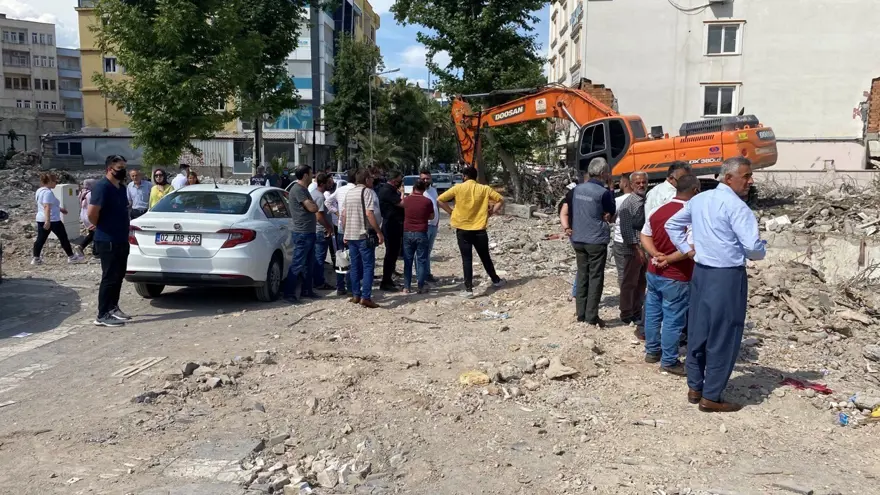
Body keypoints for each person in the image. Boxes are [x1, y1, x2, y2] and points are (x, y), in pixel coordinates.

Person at [666, 157, 766, 413]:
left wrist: (687, 250)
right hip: (726, 277)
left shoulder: (700, 199)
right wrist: (761, 248)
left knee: (699, 331)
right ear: (729, 178)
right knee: (724, 334)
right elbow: (753, 249)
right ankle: (711, 395)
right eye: (746, 176)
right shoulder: (737, 207)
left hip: (701, 274)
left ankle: (695, 387)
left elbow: (672, 224)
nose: (750, 181)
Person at [639, 174, 700, 376]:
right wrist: (668, 259)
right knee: (673, 319)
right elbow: (689, 247)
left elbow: (644, 234)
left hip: (654, 271)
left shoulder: (658, 210)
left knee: (653, 313)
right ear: (695, 190)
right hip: (677, 275)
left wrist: (654, 253)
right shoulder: (690, 214)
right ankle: (669, 360)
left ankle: (652, 351)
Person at [560, 158, 615, 327]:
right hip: (595, 239)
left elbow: (567, 208)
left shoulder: (576, 190)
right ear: (603, 173)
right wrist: (611, 189)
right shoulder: (603, 192)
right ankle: (591, 316)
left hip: (578, 238)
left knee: (583, 274)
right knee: (595, 277)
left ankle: (581, 313)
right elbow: (611, 211)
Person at [437, 166, 505, 298]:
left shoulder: (458, 188)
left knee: (467, 259)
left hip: (462, 229)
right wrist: (491, 213)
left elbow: (440, 200)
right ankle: (496, 280)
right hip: (479, 229)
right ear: (476, 176)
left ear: (464, 176)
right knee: (485, 257)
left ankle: (468, 289)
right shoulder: (484, 189)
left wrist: (451, 212)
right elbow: (500, 199)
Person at [88, 155, 132, 327]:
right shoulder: (102, 187)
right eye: (119, 168)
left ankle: (113, 307)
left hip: (121, 238)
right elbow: (92, 213)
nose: (123, 172)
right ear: (109, 169)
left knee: (118, 276)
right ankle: (102, 314)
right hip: (107, 240)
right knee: (109, 277)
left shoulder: (121, 188)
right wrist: (103, 226)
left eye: (124, 168)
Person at [341, 168, 384, 308]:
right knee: (368, 266)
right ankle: (366, 297)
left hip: (351, 234)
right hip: (363, 234)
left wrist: (345, 232)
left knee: (354, 266)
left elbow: (344, 215)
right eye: (371, 178)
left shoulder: (349, 193)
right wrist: (379, 232)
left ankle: (355, 294)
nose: (373, 180)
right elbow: (369, 213)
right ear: (366, 180)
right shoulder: (367, 192)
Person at [283, 165, 320, 302]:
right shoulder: (298, 190)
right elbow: (312, 207)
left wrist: (313, 205)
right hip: (302, 232)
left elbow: (314, 207)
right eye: (311, 173)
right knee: (298, 263)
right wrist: (313, 205)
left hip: (308, 232)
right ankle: (289, 293)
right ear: (305, 175)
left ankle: (307, 290)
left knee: (309, 264)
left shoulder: (304, 190)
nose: (313, 176)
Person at [617, 171, 649, 325]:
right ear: (631, 184)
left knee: (642, 281)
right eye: (638, 183)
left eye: (644, 182)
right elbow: (626, 230)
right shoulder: (628, 204)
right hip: (633, 250)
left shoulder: (647, 200)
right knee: (629, 282)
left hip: (646, 249)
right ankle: (626, 312)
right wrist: (637, 249)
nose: (641, 185)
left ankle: (637, 310)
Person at [31, 172, 82, 265]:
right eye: (54, 181)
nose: (56, 182)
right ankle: (71, 257)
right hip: (53, 220)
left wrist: (60, 209)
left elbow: (49, 205)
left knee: (40, 239)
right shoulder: (48, 193)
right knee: (63, 238)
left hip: (41, 218)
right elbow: (46, 206)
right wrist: (48, 221)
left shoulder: (39, 191)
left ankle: (36, 258)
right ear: (49, 181)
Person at [326, 169, 357, 296]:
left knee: (341, 257)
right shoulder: (357, 190)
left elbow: (327, 202)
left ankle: (340, 286)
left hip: (341, 228)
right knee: (352, 258)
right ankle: (351, 287)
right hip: (353, 228)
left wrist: (337, 213)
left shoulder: (340, 190)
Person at [401, 179, 434, 293]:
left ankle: (407, 287)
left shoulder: (407, 200)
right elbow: (432, 216)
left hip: (407, 232)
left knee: (408, 260)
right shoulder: (427, 201)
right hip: (421, 232)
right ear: (424, 189)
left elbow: (401, 205)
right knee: (421, 260)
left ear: (413, 188)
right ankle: (420, 286)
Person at [376, 170, 405, 291]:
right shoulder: (387, 190)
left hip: (395, 224)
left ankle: (389, 278)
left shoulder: (391, 190)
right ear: (394, 180)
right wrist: (402, 193)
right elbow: (402, 203)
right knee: (391, 253)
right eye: (399, 179)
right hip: (391, 225)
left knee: (394, 253)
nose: (401, 182)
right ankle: (386, 281)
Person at [311, 173, 336, 291]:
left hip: (316, 230)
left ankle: (315, 280)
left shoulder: (313, 193)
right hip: (321, 231)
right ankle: (319, 282)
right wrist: (328, 227)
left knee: (317, 257)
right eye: (328, 183)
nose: (330, 185)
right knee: (319, 258)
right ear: (322, 183)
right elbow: (319, 216)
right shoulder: (320, 197)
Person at [610, 176, 633, 287]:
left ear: (625, 184)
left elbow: (611, 218)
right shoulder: (640, 199)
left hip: (620, 240)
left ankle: (625, 294)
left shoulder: (618, 200)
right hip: (636, 240)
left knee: (622, 271)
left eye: (620, 182)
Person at [419, 169, 440, 283]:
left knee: (428, 251)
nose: (426, 180)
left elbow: (436, 206)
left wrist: (437, 221)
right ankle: (421, 276)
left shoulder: (433, 190)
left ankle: (427, 274)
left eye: (427, 178)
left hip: (433, 225)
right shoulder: (418, 192)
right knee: (422, 252)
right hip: (424, 226)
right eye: (423, 179)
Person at [75, 179, 97, 258]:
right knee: (96, 233)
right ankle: (95, 252)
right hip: (89, 215)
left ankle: (82, 247)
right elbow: (93, 206)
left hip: (83, 215)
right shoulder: (90, 194)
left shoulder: (82, 193)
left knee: (92, 233)